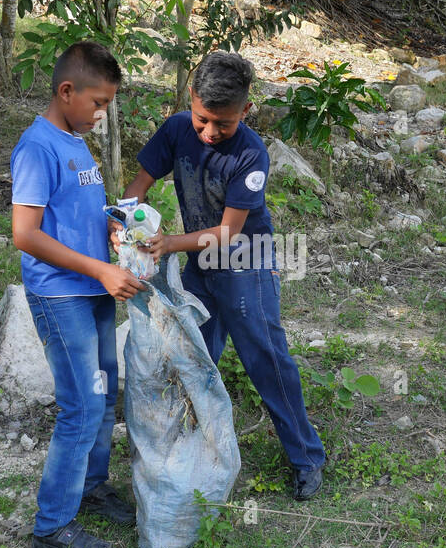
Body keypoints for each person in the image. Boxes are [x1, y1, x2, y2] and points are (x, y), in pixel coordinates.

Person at [121, 51, 328, 501]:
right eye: (202, 121)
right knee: (192, 354)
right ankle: (190, 451)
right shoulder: (177, 129)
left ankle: (307, 456)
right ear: (190, 98)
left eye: (224, 125)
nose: (211, 133)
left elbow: (230, 232)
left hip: (244, 263)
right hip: (200, 263)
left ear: (246, 111)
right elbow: (139, 185)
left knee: (265, 360)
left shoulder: (251, 154)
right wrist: (128, 218)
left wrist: (170, 242)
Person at [10, 41, 145, 548]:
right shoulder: (37, 147)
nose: (102, 114)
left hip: (94, 291)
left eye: (108, 104)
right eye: (99, 103)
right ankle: (52, 527)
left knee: (104, 393)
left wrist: (109, 226)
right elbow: (25, 234)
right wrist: (99, 269)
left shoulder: (74, 138)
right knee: (82, 407)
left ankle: (90, 486)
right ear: (66, 92)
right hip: (63, 295)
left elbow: (70, 212)